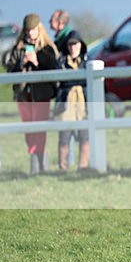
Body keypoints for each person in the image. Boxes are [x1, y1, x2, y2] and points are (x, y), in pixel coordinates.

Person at [3, 13, 59, 174]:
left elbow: (52, 68)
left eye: (33, 30)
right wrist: (22, 64)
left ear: (39, 29)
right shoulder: (18, 49)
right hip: (23, 94)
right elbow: (10, 70)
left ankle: (39, 165)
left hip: (41, 94)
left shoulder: (47, 48)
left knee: (40, 127)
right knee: (28, 128)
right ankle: (36, 161)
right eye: (28, 30)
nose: (30, 33)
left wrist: (36, 62)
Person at [54, 36, 91, 169]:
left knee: (84, 137)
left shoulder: (87, 62)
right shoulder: (61, 62)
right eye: (70, 45)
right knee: (64, 137)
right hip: (66, 104)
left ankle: (83, 167)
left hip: (82, 103)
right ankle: (63, 168)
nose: (73, 48)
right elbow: (61, 81)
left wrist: (72, 80)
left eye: (75, 44)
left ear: (81, 45)